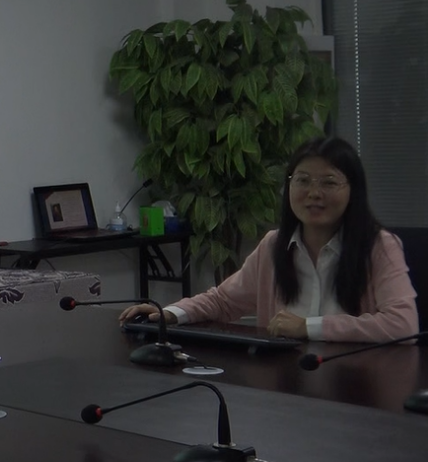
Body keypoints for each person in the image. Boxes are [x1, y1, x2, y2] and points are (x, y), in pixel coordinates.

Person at [120, 136, 419, 342]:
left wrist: (309, 328)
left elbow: (403, 325)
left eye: (329, 182)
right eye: (303, 181)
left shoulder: (379, 246)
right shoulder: (274, 246)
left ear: (353, 190)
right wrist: (169, 314)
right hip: (285, 383)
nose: (314, 193)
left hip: (357, 383)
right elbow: (223, 301)